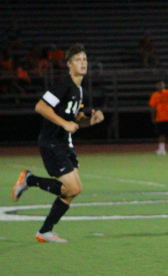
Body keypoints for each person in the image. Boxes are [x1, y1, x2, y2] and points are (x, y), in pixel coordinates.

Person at [12, 44, 104, 242]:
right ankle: (29, 179)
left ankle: (45, 231)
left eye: (85, 60)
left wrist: (91, 120)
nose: (83, 63)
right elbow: (41, 106)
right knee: (74, 188)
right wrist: (64, 124)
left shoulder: (79, 89)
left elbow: (76, 119)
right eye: (78, 60)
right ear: (69, 64)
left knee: (69, 192)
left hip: (65, 143)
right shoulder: (64, 83)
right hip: (52, 142)